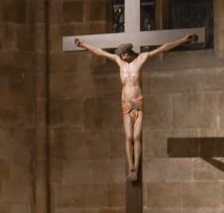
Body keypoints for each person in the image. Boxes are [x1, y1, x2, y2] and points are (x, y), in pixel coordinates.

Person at [74, 33, 197, 182]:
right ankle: (131, 166)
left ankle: (136, 168)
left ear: (127, 53)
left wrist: (183, 40)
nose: (120, 57)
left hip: (137, 102)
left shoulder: (141, 59)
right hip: (126, 103)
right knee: (128, 137)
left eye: (122, 55)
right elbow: (101, 52)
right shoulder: (120, 63)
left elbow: (163, 48)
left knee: (137, 136)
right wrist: (84, 45)